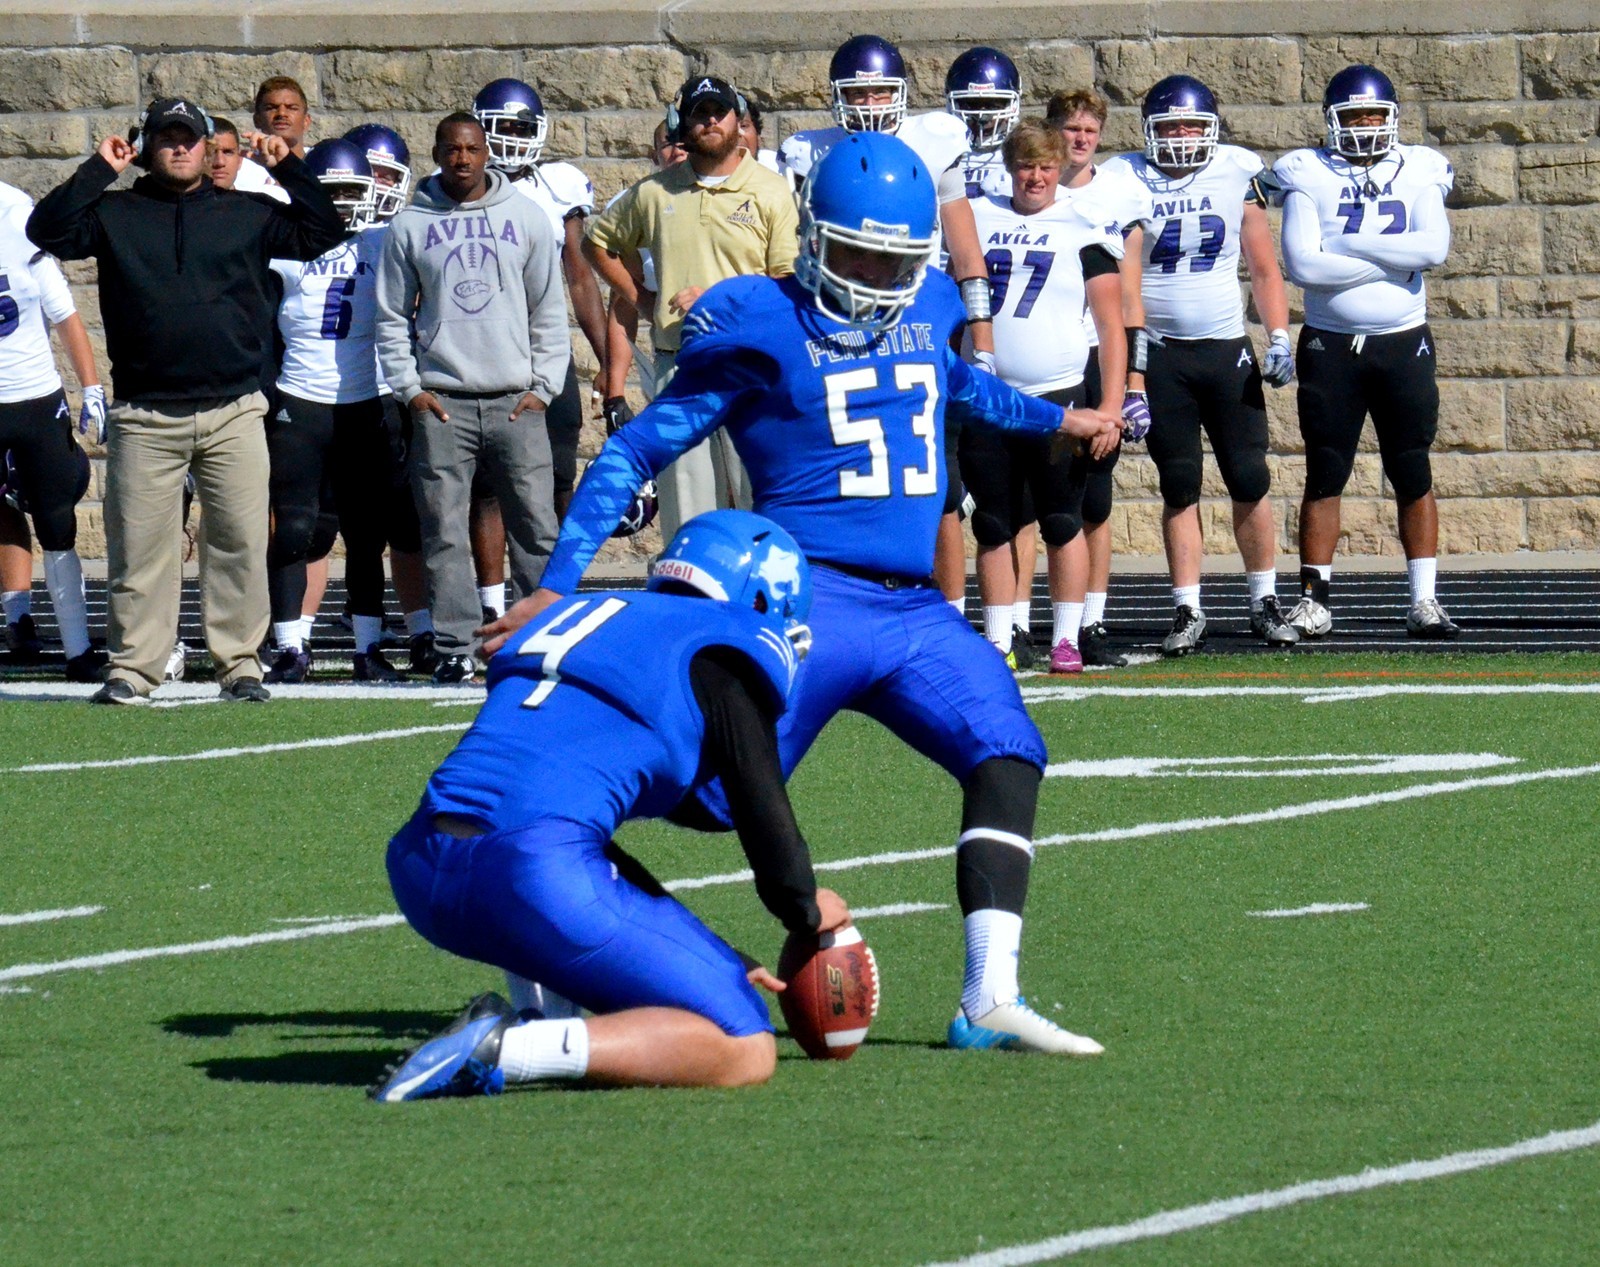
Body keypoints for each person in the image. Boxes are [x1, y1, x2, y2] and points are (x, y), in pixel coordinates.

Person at [485, 134, 1120, 1055]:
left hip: (914, 612)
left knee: (1009, 748)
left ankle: (989, 995)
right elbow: (633, 450)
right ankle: (536, 921)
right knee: (697, 791)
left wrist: (1059, 417)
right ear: (812, 238)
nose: (873, 277)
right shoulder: (759, 321)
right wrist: (556, 584)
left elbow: (958, 388)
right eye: (856, 254)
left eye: (893, 261)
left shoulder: (932, 302)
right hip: (801, 602)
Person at [373, 510, 849, 1099]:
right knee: (743, 1044)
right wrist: (806, 909)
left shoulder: (584, 613)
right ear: (759, 602)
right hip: (532, 878)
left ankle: (536, 1019)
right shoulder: (723, 647)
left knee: (564, 860)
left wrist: (712, 949)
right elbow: (761, 808)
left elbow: (556, 821)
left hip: (422, 868)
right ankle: (511, 1049)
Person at [28, 97, 345, 704]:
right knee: (141, 549)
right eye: (167, 138)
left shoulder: (249, 211)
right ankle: (134, 669)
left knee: (239, 544)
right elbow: (45, 230)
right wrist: (99, 170)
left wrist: (288, 168)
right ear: (145, 146)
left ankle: (239, 665)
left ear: (208, 146)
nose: (180, 148)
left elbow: (324, 232)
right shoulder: (115, 211)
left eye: (190, 138)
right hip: (146, 414)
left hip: (234, 410)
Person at [778, 35, 999, 615]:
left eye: (881, 90)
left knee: (938, 486)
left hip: (916, 331)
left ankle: (949, 610)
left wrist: (982, 347)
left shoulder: (935, 143)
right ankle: (842, 605)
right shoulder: (808, 153)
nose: (871, 103)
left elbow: (967, 256)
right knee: (838, 477)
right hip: (838, 333)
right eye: (859, 92)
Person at [1099, 75, 1300, 657]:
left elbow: (1263, 268)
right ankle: (1188, 606)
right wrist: (1129, 373)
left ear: (1212, 128)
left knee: (1249, 476)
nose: (1182, 137)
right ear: (1147, 132)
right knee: (1180, 483)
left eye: (1193, 125)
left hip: (1225, 349)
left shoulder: (1236, 170)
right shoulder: (1124, 177)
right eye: (1170, 126)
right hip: (1161, 355)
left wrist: (1280, 335)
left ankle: (1263, 599)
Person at [374, 113, 568, 684]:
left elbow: (549, 310)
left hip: (515, 401)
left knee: (536, 527)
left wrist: (544, 388)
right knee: (443, 530)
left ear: (488, 153)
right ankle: (456, 645)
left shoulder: (526, 217)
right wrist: (410, 390)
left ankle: (542, 637)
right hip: (444, 401)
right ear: (436, 153)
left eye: (472, 149)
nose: (462, 159)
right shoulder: (410, 224)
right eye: (451, 150)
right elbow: (390, 317)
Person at [1275, 65, 1459, 640]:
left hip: (1404, 341)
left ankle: (1424, 600)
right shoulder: (1305, 171)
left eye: (1374, 115)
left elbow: (1435, 248)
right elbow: (1303, 266)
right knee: (1326, 470)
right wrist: (1390, 258)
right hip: (1331, 346)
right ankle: (1314, 599)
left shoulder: (1421, 166)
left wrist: (1346, 246)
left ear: (1393, 117)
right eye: (1354, 116)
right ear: (1332, 120)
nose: (1365, 126)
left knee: (1412, 467)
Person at [584, 75, 797, 538]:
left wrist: (719, 299)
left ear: (738, 122)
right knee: (690, 523)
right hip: (680, 369)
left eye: (718, 113)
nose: (710, 123)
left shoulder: (772, 190)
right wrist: (642, 299)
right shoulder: (655, 193)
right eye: (700, 114)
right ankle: (695, 611)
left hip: (752, 368)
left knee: (768, 513)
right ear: (683, 123)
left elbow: (785, 285)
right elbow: (597, 243)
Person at [963, 123, 1126, 676]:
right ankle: (998, 638)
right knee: (992, 523)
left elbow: (1111, 326)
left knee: (1062, 520)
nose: (1035, 177)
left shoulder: (1085, 226)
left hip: (1059, 396)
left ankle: (1065, 639)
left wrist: (1110, 407)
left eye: (1046, 167)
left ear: (1061, 169)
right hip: (988, 397)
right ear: (1010, 169)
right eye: (1025, 166)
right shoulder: (976, 216)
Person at [264, 138, 422, 683]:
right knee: (294, 529)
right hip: (300, 400)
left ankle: (368, 647)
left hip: (364, 403)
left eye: (353, 191)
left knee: (365, 533)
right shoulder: (281, 245)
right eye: (330, 194)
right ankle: (290, 646)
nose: (343, 205)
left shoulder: (386, 241)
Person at [1042, 88, 1151, 669]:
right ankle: (1012, 623)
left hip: (1094, 354)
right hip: (1041, 353)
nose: (1079, 138)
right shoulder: (1031, 186)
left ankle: (1091, 618)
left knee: (1094, 498)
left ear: (1101, 135)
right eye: (1069, 128)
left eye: (1089, 129)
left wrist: (1134, 379)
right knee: (1022, 499)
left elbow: (1130, 295)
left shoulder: (1121, 193)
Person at [472, 78, 607, 522]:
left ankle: (559, 586)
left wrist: (608, 361)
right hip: (480, 348)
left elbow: (580, 277)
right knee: (487, 485)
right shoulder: (451, 186)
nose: (511, 139)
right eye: (502, 127)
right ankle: (492, 594)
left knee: (559, 472)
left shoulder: (557, 185)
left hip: (544, 347)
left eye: (521, 128)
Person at [0, 192, 105, 679]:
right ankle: (18, 618)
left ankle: (77, 649)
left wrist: (91, 387)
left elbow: (63, 312)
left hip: (34, 398)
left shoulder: (17, 216)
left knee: (57, 523)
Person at [948, 45, 1022, 200]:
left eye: (993, 104)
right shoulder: (940, 154)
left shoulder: (1025, 155)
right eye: (971, 104)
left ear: (1013, 105)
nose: (982, 116)